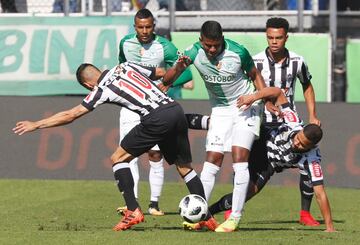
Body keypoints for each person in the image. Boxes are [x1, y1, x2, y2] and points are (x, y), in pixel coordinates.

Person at [12, 61, 218, 231]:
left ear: (87, 85)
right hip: (174, 109)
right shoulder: (127, 65)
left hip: (155, 119)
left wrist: (36, 124)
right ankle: (207, 217)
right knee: (185, 168)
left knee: (118, 158)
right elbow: (162, 72)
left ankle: (133, 211)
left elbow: (71, 115)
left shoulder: (101, 89)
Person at [162, 20, 278, 232]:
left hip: (246, 106)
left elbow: (255, 76)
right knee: (211, 163)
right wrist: (179, 65)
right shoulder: (193, 52)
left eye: (216, 44)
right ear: (201, 41)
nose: (212, 49)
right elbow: (169, 79)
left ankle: (234, 217)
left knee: (239, 158)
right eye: (208, 45)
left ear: (222, 39)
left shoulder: (238, 52)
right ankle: (202, 216)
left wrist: (266, 100)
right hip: (220, 111)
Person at [206, 87, 336, 232]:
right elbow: (278, 92)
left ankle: (207, 214)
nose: (296, 143)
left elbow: (320, 193)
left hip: (269, 164)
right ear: (300, 130)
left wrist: (329, 227)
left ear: (312, 146)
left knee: (246, 193)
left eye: (302, 145)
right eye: (298, 138)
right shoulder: (292, 121)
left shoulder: (312, 160)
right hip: (262, 141)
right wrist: (253, 97)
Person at [117, 8, 193, 216]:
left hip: (155, 106)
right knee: (127, 155)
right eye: (140, 27)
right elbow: (122, 67)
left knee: (155, 154)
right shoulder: (125, 43)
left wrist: (166, 84)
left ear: (154, 26)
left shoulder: (165, 47)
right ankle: (132, 204)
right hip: (131, 105)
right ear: (134, 27)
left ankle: (154, 203)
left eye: (148, 27)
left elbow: (186, 73)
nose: (144, 31)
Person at [251, 17, 322, 226]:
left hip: (288, 124)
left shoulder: (298, 62)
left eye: (278, 38)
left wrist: (312, 116)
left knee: (307, 165)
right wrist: (262, 102)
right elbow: (249, 89)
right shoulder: (256, 62)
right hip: (261, 122)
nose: (274, 42)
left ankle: (305, 213)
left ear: (286, 37)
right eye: (270, 37)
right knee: (254, 168)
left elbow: (307, 86)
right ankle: (234, 209)